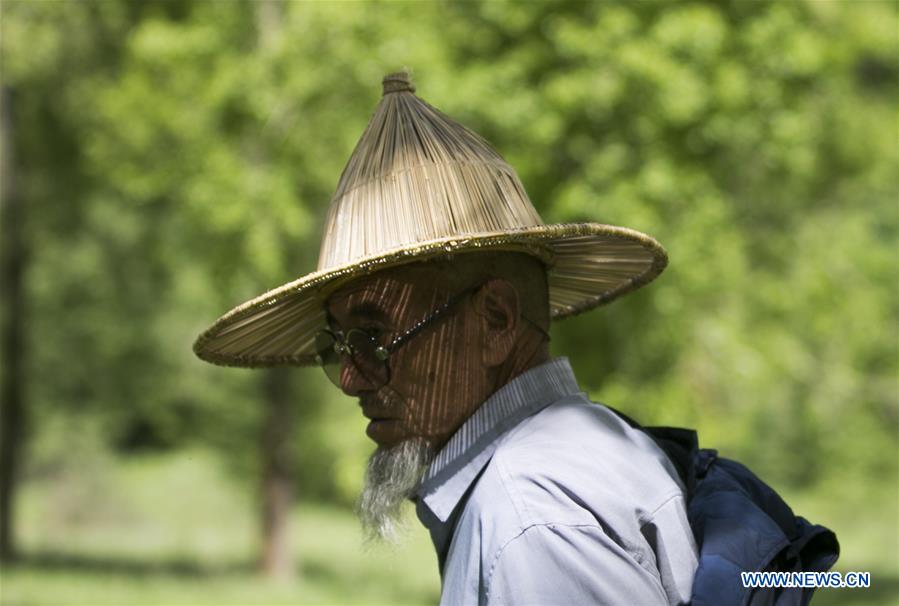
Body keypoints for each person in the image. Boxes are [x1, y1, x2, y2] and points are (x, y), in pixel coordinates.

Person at [193, 70, 712, 604]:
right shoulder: (594, 442)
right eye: (337, 347)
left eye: (373, 335)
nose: (350, 378)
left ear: (495, 321)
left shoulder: (527, 522)